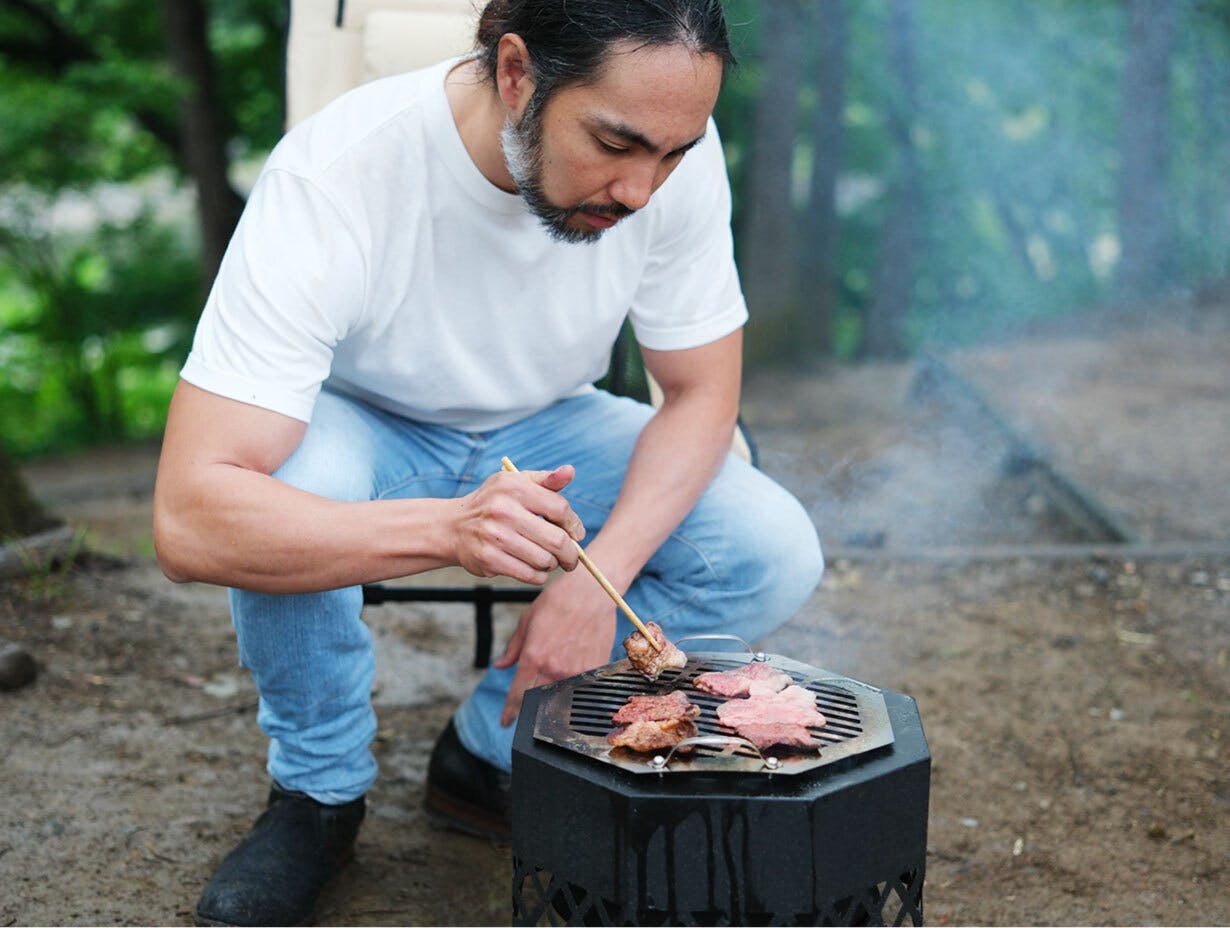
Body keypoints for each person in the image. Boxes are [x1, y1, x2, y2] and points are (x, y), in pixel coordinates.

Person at [153, 0, 824, 924]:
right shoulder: (337, 171)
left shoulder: (675, 158)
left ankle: (489, 753)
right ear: (517, 74)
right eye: (615, 143)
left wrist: (600, 580)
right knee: (279, 497)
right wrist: (448, 526)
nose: (640, 190)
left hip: (551, 425)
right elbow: (191, 516)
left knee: (770, 546)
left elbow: (703, 394)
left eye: (670, 155)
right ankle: (319, 794)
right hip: (364, 424)